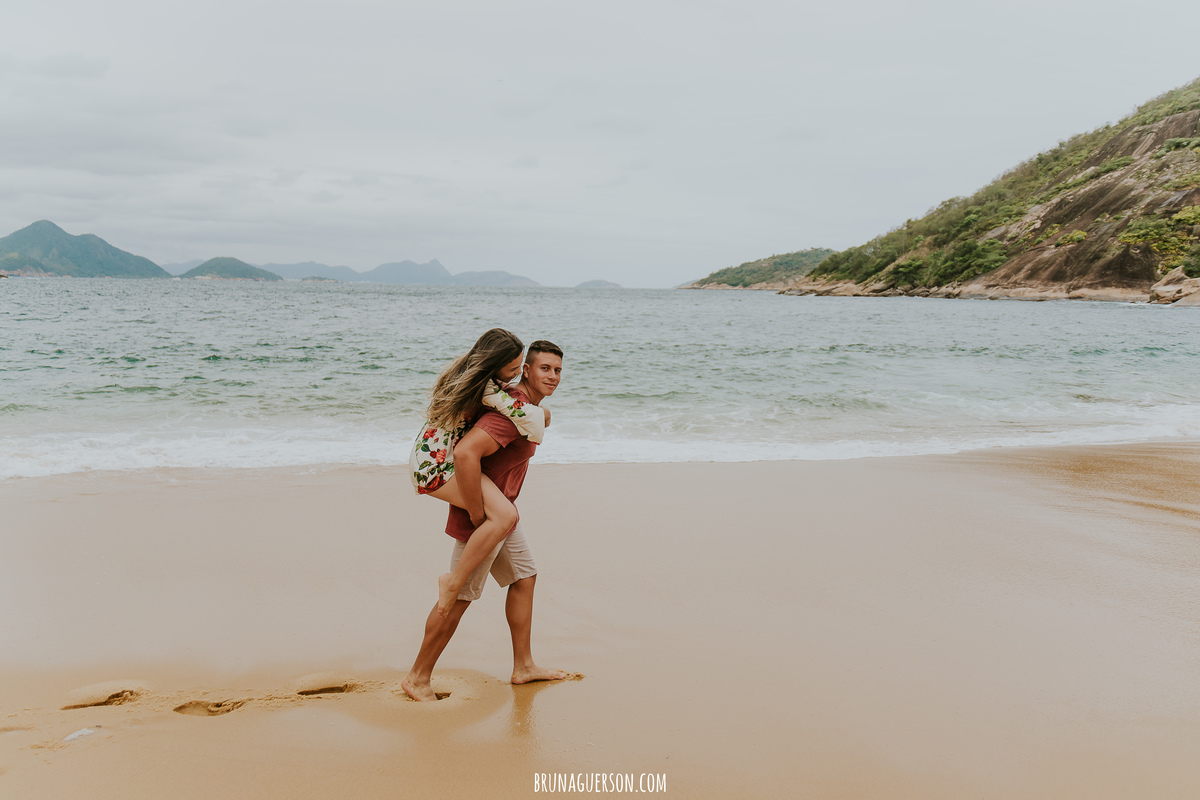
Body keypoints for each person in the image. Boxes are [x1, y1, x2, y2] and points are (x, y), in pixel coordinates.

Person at [402, 340, 568, 702]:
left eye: (557, 370)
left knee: (524, 577)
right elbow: (465, 453)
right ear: (525, 369)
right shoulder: (508, 414)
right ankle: (417, 677)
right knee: (457, 598)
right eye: (544, 368)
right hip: (485, 517)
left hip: (502, 512)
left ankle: (523, 666)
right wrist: (478, 515)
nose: (552, 376)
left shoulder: (523, 407)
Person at [409, 329, 548, 618]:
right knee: (504, 516)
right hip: (436, 466)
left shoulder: (465, 373)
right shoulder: (485, 387)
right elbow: (530, 420)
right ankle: (452, 582)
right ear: (492, 364)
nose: (514, 376)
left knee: (506, 524)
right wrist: (475, 512)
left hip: (427, 458)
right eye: (511, 369)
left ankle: (455, 586)